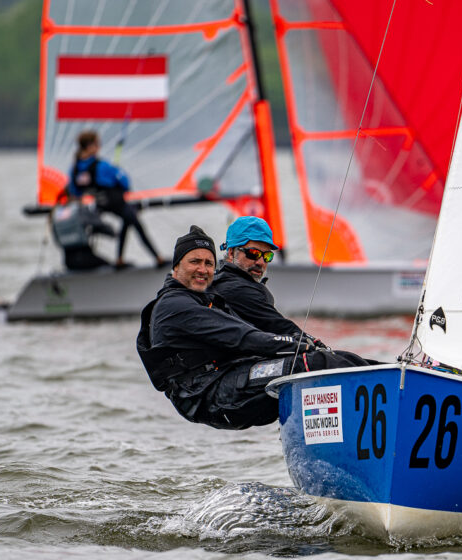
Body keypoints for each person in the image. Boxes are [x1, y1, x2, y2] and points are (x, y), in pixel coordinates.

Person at [137, 226, 375, 430]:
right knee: (312, 364)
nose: (203, 269)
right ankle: (389, 389)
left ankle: (392, 379)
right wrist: (298, 344)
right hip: (209, 395)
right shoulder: (175, 304)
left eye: (209, 263)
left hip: (222, 382)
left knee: (326, 363)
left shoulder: (204, 299)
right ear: (176, 266)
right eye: (195, 262)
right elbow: (244, 337)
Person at [208, 215, 325, 346]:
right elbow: (277, 325)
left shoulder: (237, 283)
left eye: (267, 256)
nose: (260, 262)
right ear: (231, 253)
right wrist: (316, 344)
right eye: (253, 253)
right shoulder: (233, 288)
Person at [68, 130, 166, 268]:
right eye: (97, 144)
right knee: (136, 224)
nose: (99, 147)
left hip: (98, 205)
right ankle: (158, 258)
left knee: (127, 220)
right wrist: (118, 172)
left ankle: (119, 259)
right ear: (90, 146)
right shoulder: (102, 165)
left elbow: (74, 192)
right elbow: (124, 182)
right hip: (115, 202)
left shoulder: (75, 168)